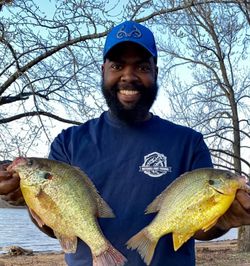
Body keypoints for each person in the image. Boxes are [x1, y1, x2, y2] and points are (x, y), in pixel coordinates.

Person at [1, 20, 250, 266]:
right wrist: (25, 197)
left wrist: (225, 220)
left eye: (141, 67)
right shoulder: (68, 142)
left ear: (156, 72)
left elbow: (197, 228)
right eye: (118, 65)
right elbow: (57, 223)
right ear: (103, 71)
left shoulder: (188, 142)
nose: (128, 76)